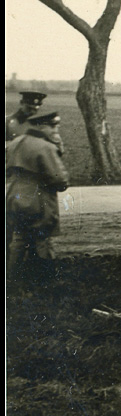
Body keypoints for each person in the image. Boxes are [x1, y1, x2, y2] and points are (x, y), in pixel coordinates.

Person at [6, 111, 69, 291]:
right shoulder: (45, 147)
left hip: (13, 195)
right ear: (42, 126)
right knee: (43, 238)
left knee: (19, 238)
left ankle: (12, 281)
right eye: (53, 126)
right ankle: (46, 282)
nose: (55, 130)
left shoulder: (15, 142)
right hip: (37, 198)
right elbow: (60, 180)